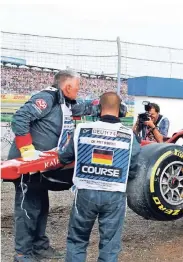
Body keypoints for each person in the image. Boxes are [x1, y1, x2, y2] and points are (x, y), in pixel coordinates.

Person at [8, 69, 94, 262]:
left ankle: (39, 246)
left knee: (41, 206)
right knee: (28, 208)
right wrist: (27, 150)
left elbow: (85, 107)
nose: (79, 91)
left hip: (43, 166)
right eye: (78, 87)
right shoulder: (46, 99)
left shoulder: (66, 102)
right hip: (27, 165)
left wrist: (104, 105)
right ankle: (22, 254)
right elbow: (20, 118)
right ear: (68, 86)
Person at [58, 91, 141, 262]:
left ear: (97, 109)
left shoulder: (82, 129)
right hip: (115, 195)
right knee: (110, 246)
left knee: (77, 241)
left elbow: (64, 157)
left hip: (85, 193)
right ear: (122, 111)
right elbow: (133, 169)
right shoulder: (130, 136)